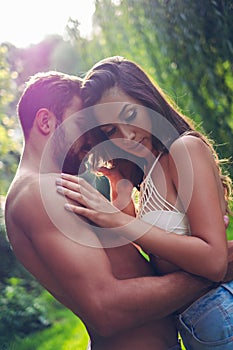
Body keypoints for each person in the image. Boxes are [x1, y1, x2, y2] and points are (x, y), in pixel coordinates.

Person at [5, 70, 226, 350]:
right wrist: (207, 274)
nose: (90, 139)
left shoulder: (50, 188)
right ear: (47, 121)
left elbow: (123, 260)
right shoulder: (38, 192)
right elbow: (106, 309)